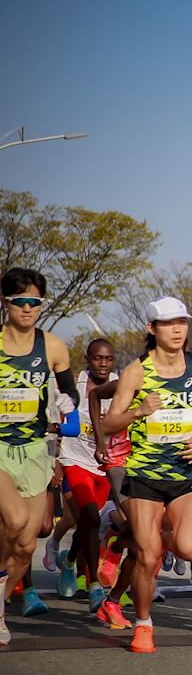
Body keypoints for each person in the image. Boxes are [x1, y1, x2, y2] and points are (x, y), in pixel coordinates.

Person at [103, 296, 192, 652]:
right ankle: (142, 624)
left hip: (184, 473)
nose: (178, 329)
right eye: (169, 324)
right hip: (144, 477)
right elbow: (109, 424)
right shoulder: (136, 372)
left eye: (182, 322)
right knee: (149, 555)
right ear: (151, 329)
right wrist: (139, 410)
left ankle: (141, 538)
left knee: (188, 548)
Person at [0, 269, 78, 646]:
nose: (28, 308)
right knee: (13, 520)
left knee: (27, 544)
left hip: (35, 450)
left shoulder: (54, 347)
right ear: (5, 303)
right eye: (20, 302)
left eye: (34, 302)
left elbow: (69, 394)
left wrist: (68, 405)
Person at [53, 339, 118, 612]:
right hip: (74, 460)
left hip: (103, 465)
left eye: (108, 359)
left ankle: (69, 562)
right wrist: (56, 460)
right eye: (97, 358)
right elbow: (55, 420)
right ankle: (94, 586)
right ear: (87, 360)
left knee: (89, 523)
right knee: (90, 515)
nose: (103, 364)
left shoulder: (119, 385)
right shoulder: (73, 387)